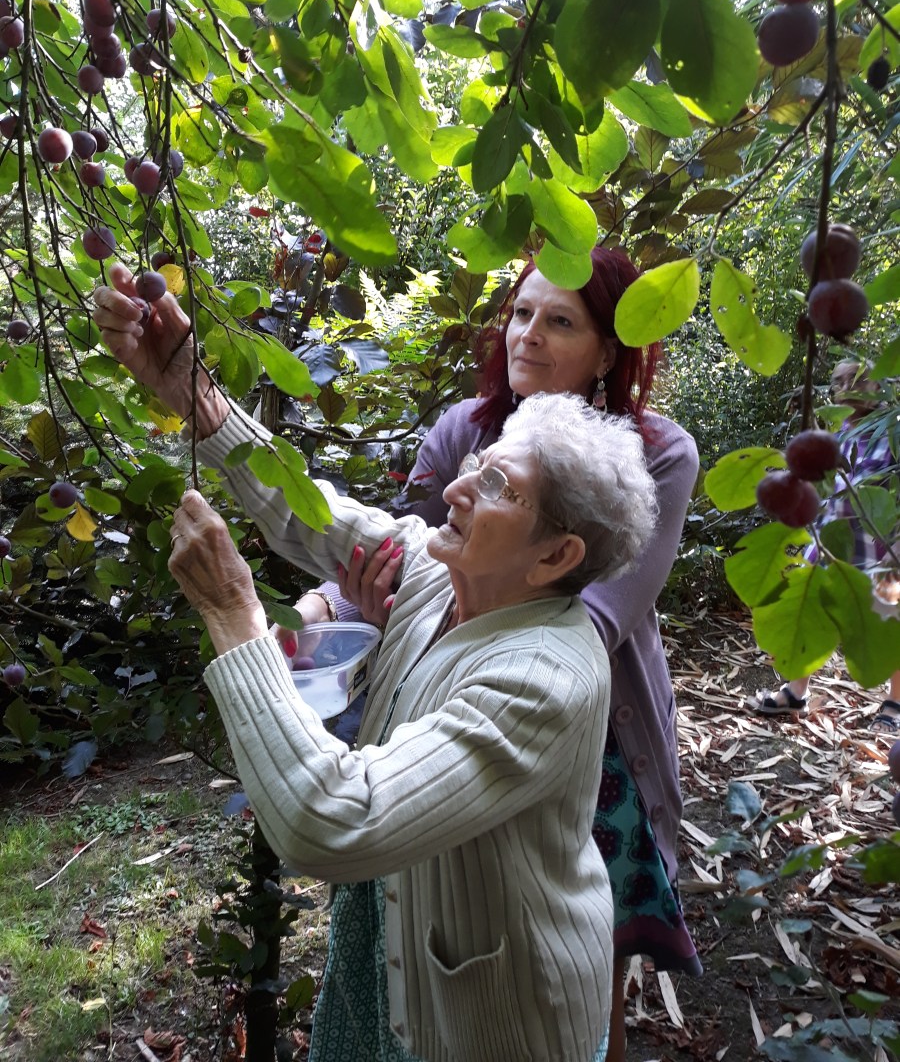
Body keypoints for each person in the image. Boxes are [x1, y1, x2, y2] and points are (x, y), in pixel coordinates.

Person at [93, 261, 660, 1062]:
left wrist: (234, 615)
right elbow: (306, 509)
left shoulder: (546, 677)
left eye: (497, 485)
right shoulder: (437, 570)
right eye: (479, 464)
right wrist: (193, 392)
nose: (459, 488)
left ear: (554, 556)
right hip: (393, 944)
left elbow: (331, 819)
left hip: (497, 1019)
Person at [289, 248, 703, 1061]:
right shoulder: (465, 431)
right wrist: (321, 608)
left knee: (579, 939)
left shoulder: (656, 452)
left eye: (560, 321)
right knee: (439, 914)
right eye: (521, 312)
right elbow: (399, 556)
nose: (529, 335)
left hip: (585, 730)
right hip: (443, 706)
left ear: (608, 351)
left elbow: (595, 615)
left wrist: (437, 593)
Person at [749, 358, 900, 732]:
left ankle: (895, 702)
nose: (845, 388)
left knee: (891, 623)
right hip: (833, 547)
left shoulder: (891, 433)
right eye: (839, 381)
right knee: (811, 616)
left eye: (855, 381)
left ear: (876, 387)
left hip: (882, 550)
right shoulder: (839, 436)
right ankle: (796, 691)